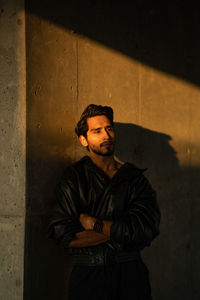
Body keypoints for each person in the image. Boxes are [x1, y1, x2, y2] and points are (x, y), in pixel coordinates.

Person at [48, 104, 161, 300]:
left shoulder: (134, 179)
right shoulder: (73, 178)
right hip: (88, 277)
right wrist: (124, 230)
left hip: (131, 277)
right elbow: (64, 236)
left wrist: (94, 224)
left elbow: (146, 229)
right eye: (97, 131)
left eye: (109, 128)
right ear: (84, 139)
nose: (106, 135)